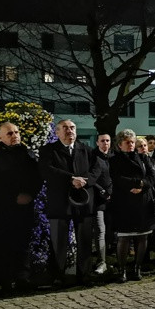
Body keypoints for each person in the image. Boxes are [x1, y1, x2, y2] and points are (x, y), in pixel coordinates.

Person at [38, 119, 100, 286]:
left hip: (83, 202)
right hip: (60, 202)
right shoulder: (48, 150)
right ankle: (57, 275)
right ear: (57, 132)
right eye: (64, 128)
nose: (69, 131)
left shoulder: (86, 150)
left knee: (85, 240)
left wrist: (85, 181)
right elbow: (47, 170)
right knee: (58, 242)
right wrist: (70, 179)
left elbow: (96, 169)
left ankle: (84, 274)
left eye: (72, 128)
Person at [0, 122, 41, 291]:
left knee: (23, 243)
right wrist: (13, 197)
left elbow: (37, 177)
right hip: (3, 207)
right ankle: (5, 279)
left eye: (16, 132)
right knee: (4, 243)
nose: (15, 135)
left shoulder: (28, 154)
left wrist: (30, 194)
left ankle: (22, 277)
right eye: (10, 133)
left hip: (25, 206)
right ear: (0, 137)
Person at [109, 129, 155, 282]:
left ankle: (137, 268)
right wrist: (135, 184)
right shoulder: (114, 159)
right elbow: (117, 178)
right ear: (120, 144)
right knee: (124, 237)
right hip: (124, 201)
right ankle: (122, 270)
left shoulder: (143, 158)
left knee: (142, 236)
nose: (131, 145)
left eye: (132, 142)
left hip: (143, 201)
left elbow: (151, 176)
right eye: (127, 142)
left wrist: (143, 185)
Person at [92, 132, 113, 275]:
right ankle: (101, 262)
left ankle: (110, 261)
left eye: (107, 141)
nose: (105, 143)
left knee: (111, 232)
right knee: (100, 231)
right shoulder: (94, 158)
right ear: (97, 143)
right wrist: (103, 192)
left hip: (113, 201)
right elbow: (92, 178)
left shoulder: (113, 158)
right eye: (103, 141)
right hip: (98, 201)